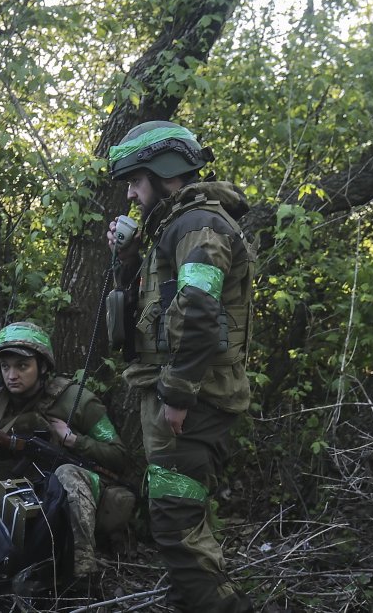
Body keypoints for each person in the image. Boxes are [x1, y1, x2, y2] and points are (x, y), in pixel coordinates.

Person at [105, 121, 256, 613]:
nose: (130, 193)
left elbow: (197, 308)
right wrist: (129, 257)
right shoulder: (178, 226)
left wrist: (177, 394)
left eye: (135, 181)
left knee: (178, 527)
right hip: (183, 394)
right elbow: (160, 304)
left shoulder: (197, 226)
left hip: (190, 400)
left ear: (161, 172)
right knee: (178, 524)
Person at [0, 321, 136, 581]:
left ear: (42, 367)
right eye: (6, 367)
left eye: (22, 366)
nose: (12, 375)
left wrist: (75, 441)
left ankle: (83, 572)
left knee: (66, 473)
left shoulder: (77, 400)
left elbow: (120, 456)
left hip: (86, 493)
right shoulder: (1, 403)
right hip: (34, 494)